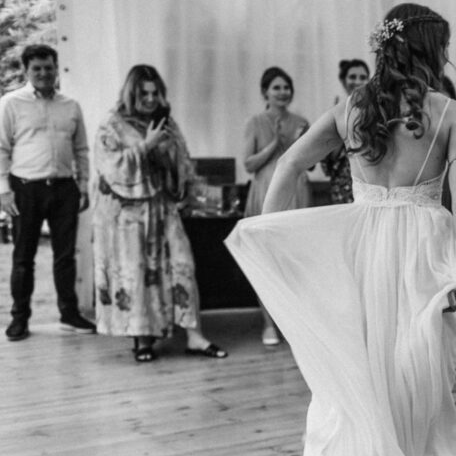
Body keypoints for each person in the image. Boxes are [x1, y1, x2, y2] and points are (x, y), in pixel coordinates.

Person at [226, 3, 456, 456]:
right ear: (431, 50)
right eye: (443, 46)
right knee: (425, 392)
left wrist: (274, 233)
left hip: (363, 256)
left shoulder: (351, 108)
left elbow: (290, 164)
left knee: (367, 390)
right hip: (423, 263)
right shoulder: (449, 113)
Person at [93, 64, 228, 363]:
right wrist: (146, 146)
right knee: (138, 272)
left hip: (163, 207)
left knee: (182, 265)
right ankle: (143, 337)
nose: (151, 99)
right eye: (144, 93)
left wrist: (167, 154)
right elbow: (110, 169)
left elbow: (183, 163)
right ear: (132, 93)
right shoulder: (112, 125)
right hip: (127, 217)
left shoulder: (166, 123)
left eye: (156, 93)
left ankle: (194, 336)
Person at [0, 44, 95, 341]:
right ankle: (20, 318)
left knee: (65, 256)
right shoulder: (10, 103)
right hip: (26, 188)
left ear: (56, 69)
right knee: (23, 257)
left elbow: (81, 150)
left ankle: (69, 314)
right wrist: (4, 191)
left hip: (64, 188)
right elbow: (1, 149)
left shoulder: (71, 106)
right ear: (26, 71)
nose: (44, 73)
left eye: (49, 67)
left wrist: (83, 186)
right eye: (37, 68)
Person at [242, 67, 312, 346]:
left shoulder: (301, 122)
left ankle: (292, 322)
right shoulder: (255, 122)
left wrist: (298, 143)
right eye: (277, 88)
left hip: (297, 195)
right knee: (266, 260)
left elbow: (311, 164)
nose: (283, 92)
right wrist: (275, 143)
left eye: (286, 87)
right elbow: (249, 164)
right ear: (265, 92)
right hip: (266, 194)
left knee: (295, 262)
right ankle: (268, 323)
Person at [321, 59, 370, 205]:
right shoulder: (335, 113)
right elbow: (328, 162)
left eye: (363, 77)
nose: (358, 81)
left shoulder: (375, 112)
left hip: (369, 185)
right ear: (343, 81)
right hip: (342, 186)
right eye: (352, 77)